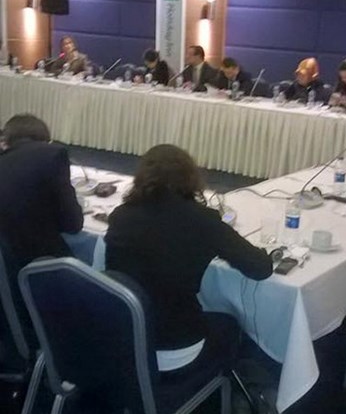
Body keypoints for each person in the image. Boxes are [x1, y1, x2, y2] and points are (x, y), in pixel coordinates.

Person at [105, 144, 273, 374]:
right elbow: (261, 269)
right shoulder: (203, 220)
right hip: (173, 347)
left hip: (123, 337)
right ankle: (225, 388)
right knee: (230, 324)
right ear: (191, 178)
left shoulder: (121, 215)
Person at [0, 114, 83, 266]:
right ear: (46, 140)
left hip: (9, 262)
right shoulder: (53, 154)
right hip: (42, 263)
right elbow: (73, 224)